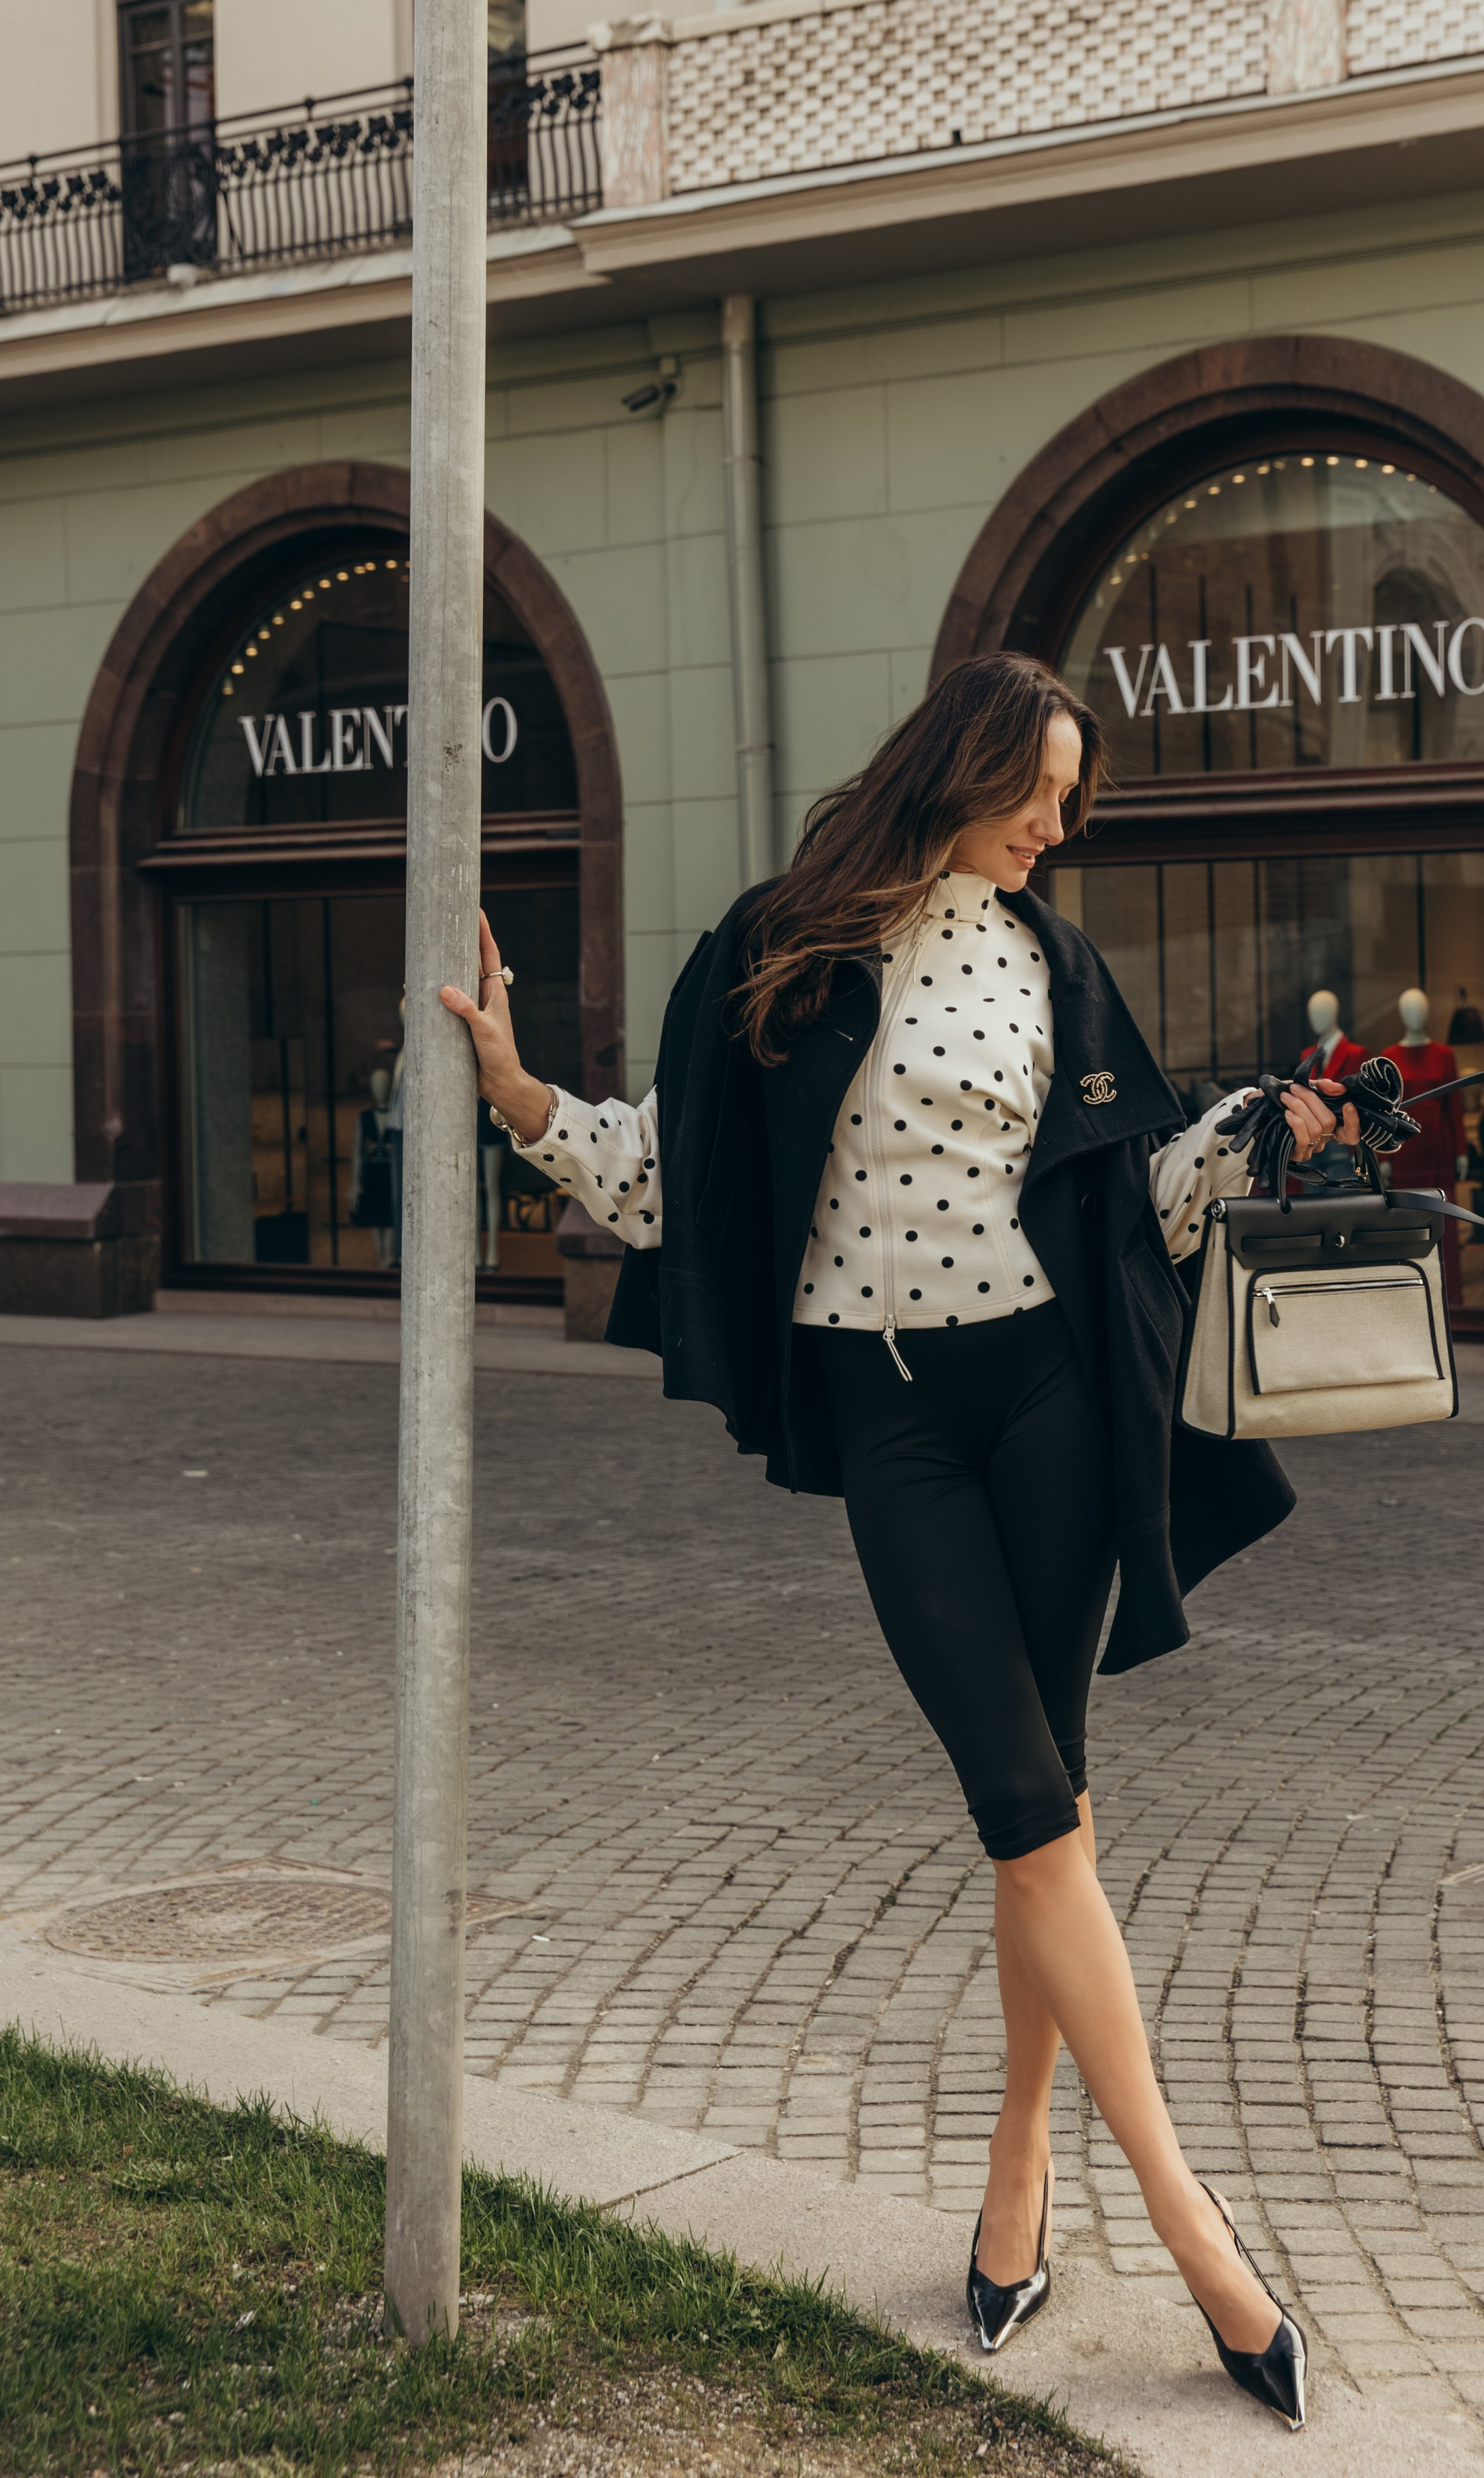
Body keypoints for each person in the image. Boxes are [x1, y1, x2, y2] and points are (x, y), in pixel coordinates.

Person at [441, 652, 1356, 2427]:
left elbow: (1138, 1195)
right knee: (1025, 1806)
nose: (1056, 826)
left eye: (1071, 800)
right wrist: (515, 1092)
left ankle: (1015, 2196)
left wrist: (1258, 1132)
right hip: (892, 1420)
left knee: (1048, 1821)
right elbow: (666, 1174)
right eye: (1042, 791)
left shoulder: (1048, 962)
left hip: (1051, 1404)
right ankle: (1195, 2235)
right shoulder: (777, 949)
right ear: (966, 767)